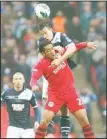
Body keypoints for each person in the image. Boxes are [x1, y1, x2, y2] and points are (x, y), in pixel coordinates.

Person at [30, 39, 96, 138]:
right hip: (55, 95)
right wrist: (33, 85)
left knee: (84, 120)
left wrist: (86, 44)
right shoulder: (41, 64)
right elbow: (33, 78)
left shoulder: (60, 52)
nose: (52, 51)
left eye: (52, 48)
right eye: (48, 51)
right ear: (43, 53)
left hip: (70, 93)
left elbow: (75, 47)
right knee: (44, 122)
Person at [36, 21, 84, 138]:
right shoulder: (41, 42)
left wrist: (60, 57)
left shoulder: (60, 36)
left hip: (62, 75)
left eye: (46, 33)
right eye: (42, 34)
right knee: (47, 106)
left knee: (65, 108)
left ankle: (64, 136)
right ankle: (49, 134)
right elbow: (39, 59)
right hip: (49, 78)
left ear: (51, 29)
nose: (45, 36)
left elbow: (72, 48)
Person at [1, 72, 41, 138]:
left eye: (20, 79)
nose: (18, 81)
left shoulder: (29, 93)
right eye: (16, 79)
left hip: (27, 128)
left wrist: (37, 121)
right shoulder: (6, 93)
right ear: (13, 81)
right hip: (13, 127)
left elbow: (36, 108)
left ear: (23, 80)